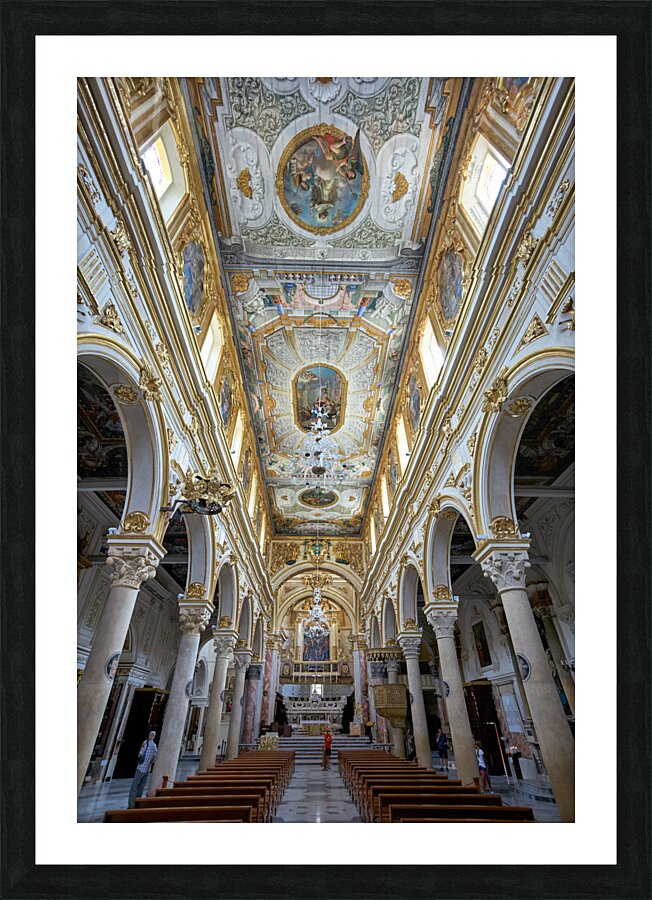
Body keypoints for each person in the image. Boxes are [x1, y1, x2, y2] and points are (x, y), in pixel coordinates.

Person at [127, 731, 158, 808]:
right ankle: (137, 804)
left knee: (134, 787)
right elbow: (155, 757)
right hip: (147, 769)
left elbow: (139, 754)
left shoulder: (145, 743)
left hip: (140, 768)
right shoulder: (154, 746)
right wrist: (150, 764)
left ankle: (131, 805)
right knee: (141, 788)